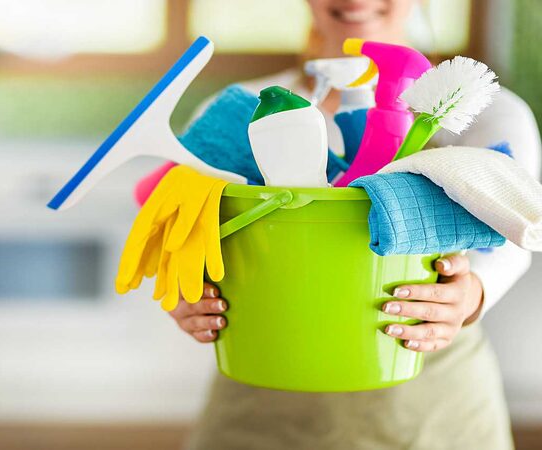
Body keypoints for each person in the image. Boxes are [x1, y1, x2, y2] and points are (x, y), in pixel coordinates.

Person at [167, 1, 542, 448]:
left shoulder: (487, 113)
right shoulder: (240, 112)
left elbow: (512, 230)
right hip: (260, 398)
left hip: (428, 404)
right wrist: (182, 287)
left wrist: (470, 293)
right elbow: (179, 227)